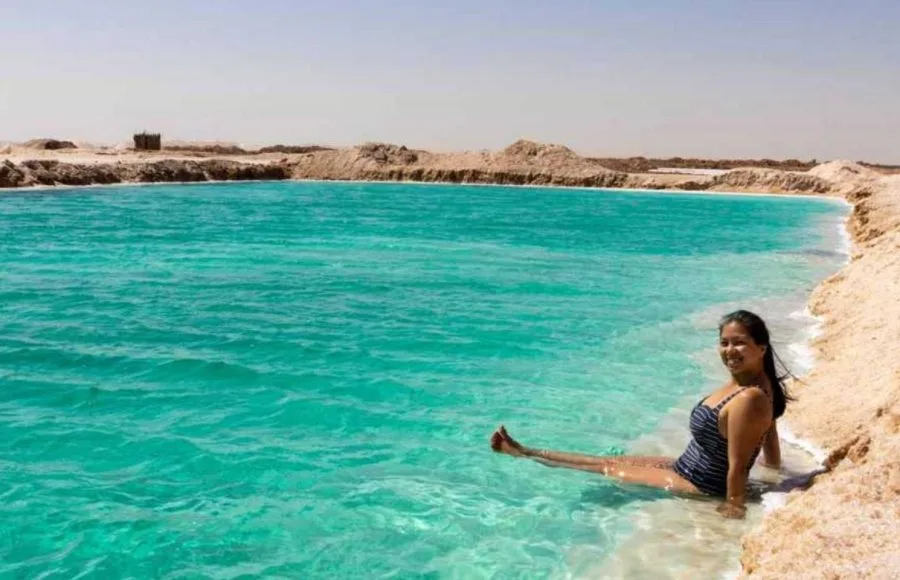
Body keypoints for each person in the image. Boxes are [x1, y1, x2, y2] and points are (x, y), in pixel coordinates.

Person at [489, 310, 792, 519]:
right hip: (686, 466)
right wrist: (775, 473)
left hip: (700, 484)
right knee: (613, 460)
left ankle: (524, 453)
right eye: (724, 342)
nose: (730, 350)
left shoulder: (749, 397)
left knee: (607, 469)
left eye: (740, 342)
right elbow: (769, 433)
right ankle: (527, 450)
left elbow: (739, 467)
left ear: (761, 348)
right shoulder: (754, 384)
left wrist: (734, 507)